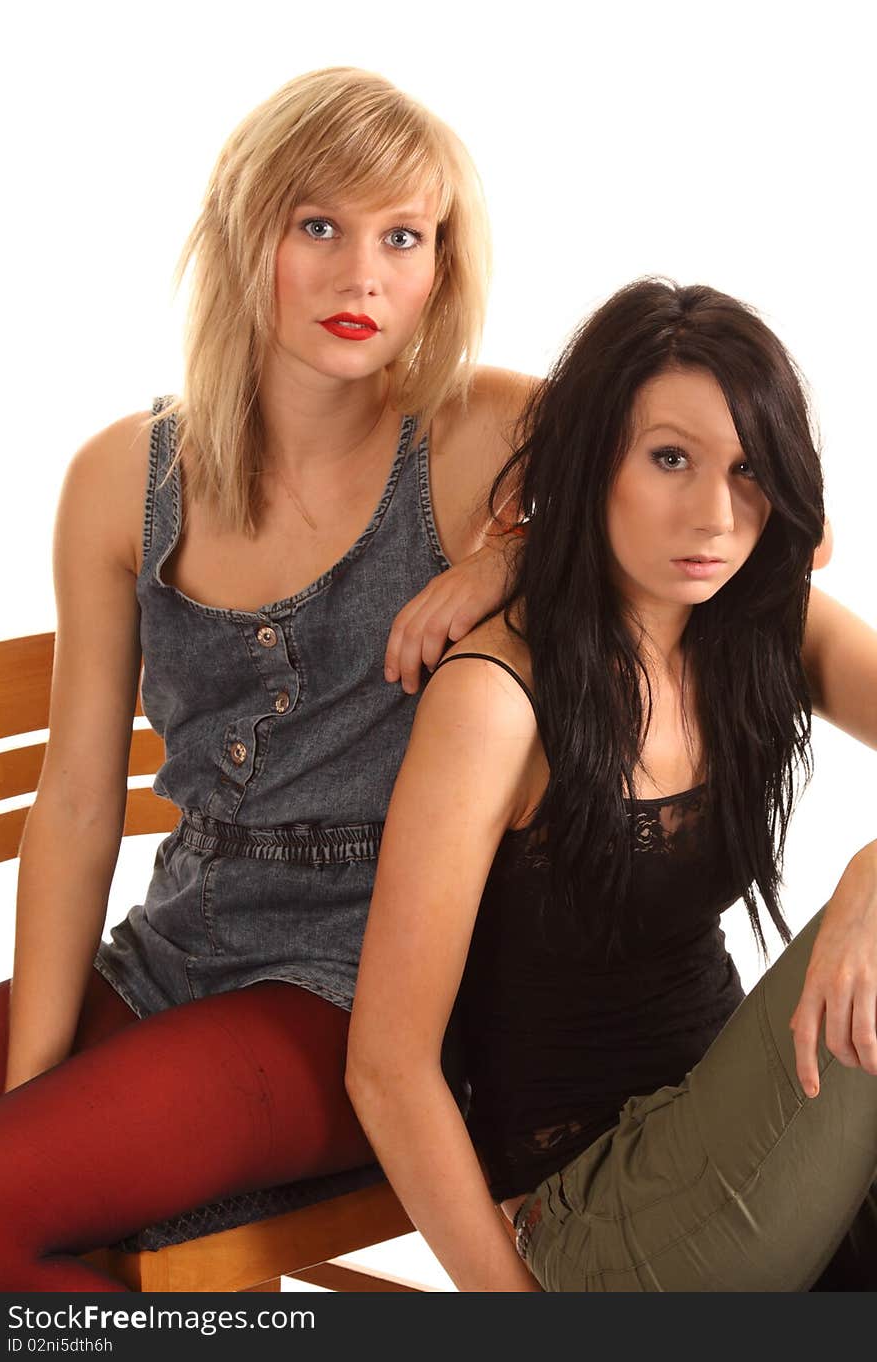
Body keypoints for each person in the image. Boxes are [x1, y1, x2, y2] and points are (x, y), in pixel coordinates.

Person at [0, 67, 533, 1290]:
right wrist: (39, 1085)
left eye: (403, 236)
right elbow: (78, 803)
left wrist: (504, 561)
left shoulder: (479, 434)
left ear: (442, 267)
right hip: (175, 947)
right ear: (248, 237)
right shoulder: (120, 478)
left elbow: (757, 507)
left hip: (372, 990)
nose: (363, 276)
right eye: (320, 227)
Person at [346, 278, 877, 1292]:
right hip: (591, 1215)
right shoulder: (497, 701)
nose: (716, 515)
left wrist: (867, 872)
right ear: (594, 462)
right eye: (669, 459)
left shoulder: (763, 625)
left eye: (749, 470)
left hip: (751, 1154)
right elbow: (388, 1066)